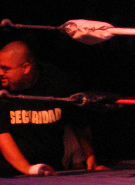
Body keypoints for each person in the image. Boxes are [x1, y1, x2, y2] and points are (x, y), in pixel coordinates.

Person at [0, 40, 106, 177]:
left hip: (51, 171)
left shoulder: (57, 82)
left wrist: (91, 159)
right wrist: (28, 169)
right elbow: (2, 135)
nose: (0, 72)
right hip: (9, 175)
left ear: (26, 68)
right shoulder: (2, 90)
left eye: (5, 68)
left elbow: (79, 121)